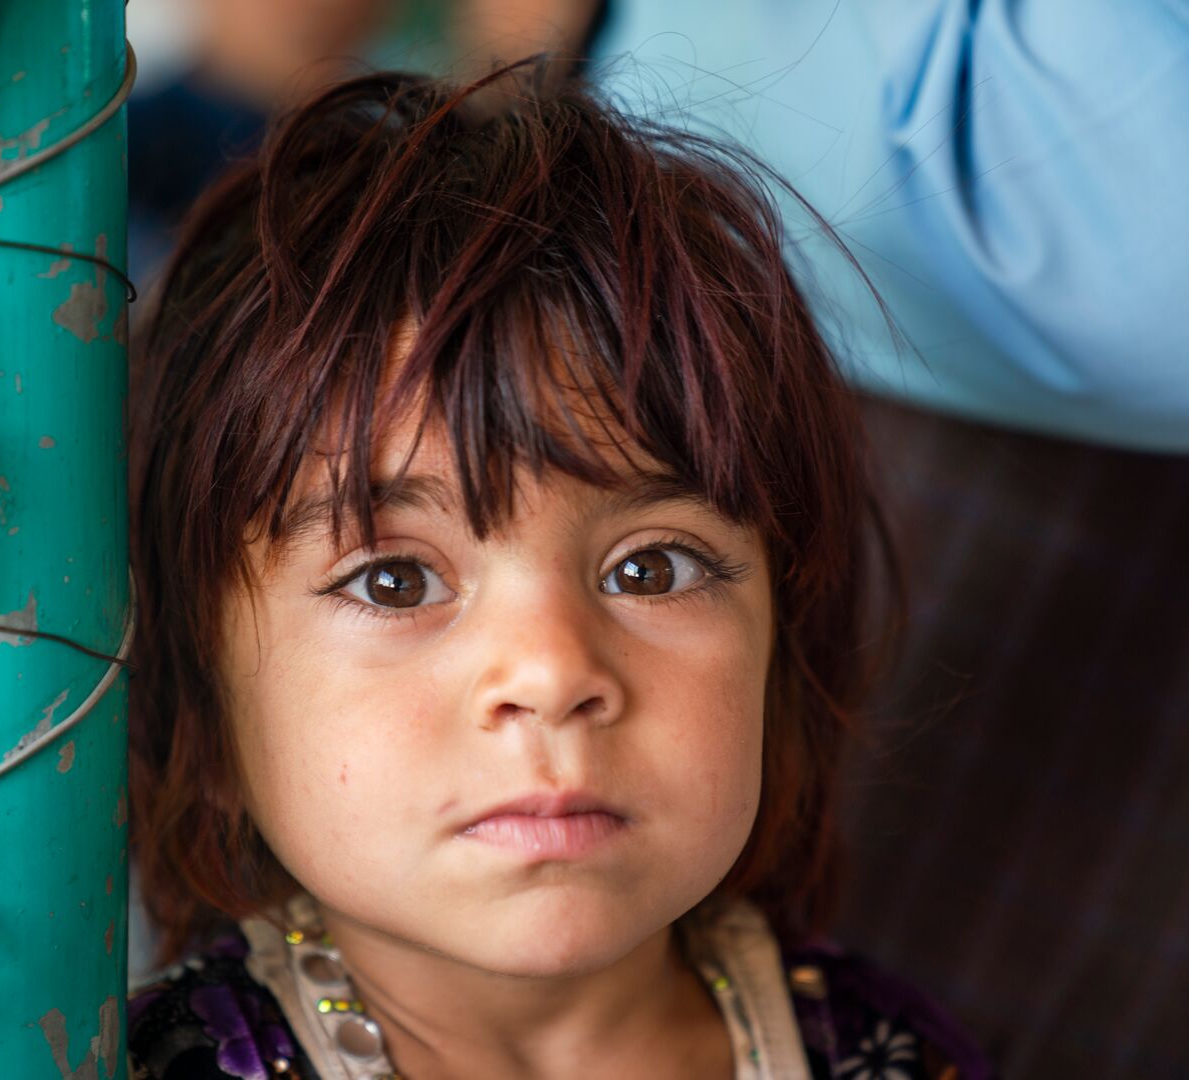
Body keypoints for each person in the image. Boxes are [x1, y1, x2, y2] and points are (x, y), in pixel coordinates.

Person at [123, 65, 992, 1078]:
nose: (548, 671)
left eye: (652, 568)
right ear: (205, 709)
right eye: (393, 581)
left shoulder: (884, 1052)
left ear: (779, 652)